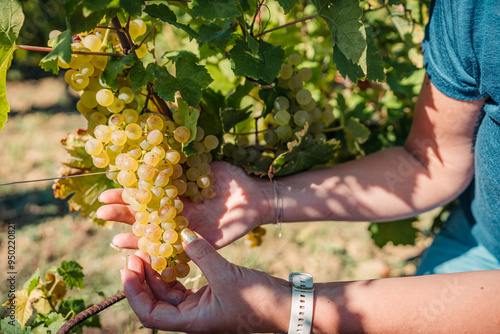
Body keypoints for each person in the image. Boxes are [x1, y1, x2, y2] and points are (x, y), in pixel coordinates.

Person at [96, 0, 500, 332]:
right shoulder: (470, 11)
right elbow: (430, 162)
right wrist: (260, 198)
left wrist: (289, 310)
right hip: (479, 235)